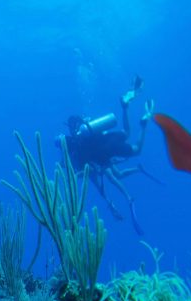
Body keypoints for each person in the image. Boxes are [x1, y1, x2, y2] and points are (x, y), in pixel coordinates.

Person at [60, 76, 157, 233]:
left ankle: (129, 198)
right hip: (106, 141)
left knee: (116, 172)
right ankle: (126, 107)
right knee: (127, 134)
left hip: (101, 155)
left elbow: (101, 186)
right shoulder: (86, 130)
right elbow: (103, 134)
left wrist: (113, 205)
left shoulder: (80, 156)